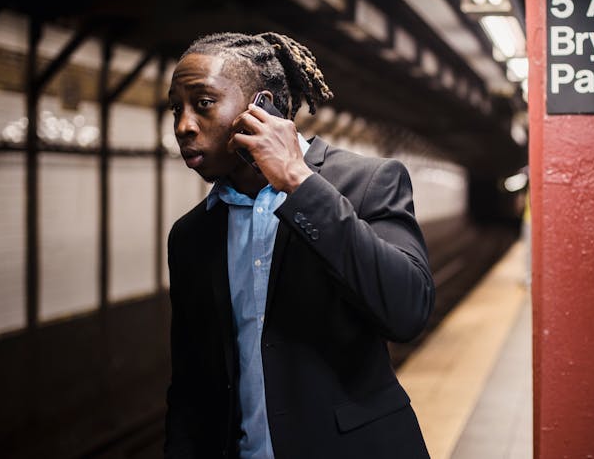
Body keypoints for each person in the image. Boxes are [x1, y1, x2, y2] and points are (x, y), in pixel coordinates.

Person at [164, 31, 435, 459]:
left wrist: (298, 180)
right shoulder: (192, 235)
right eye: (175, 108)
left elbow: (407, 311)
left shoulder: (368, 182)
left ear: (262, 108)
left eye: (203, 103)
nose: (183, 125)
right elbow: (191, 384)